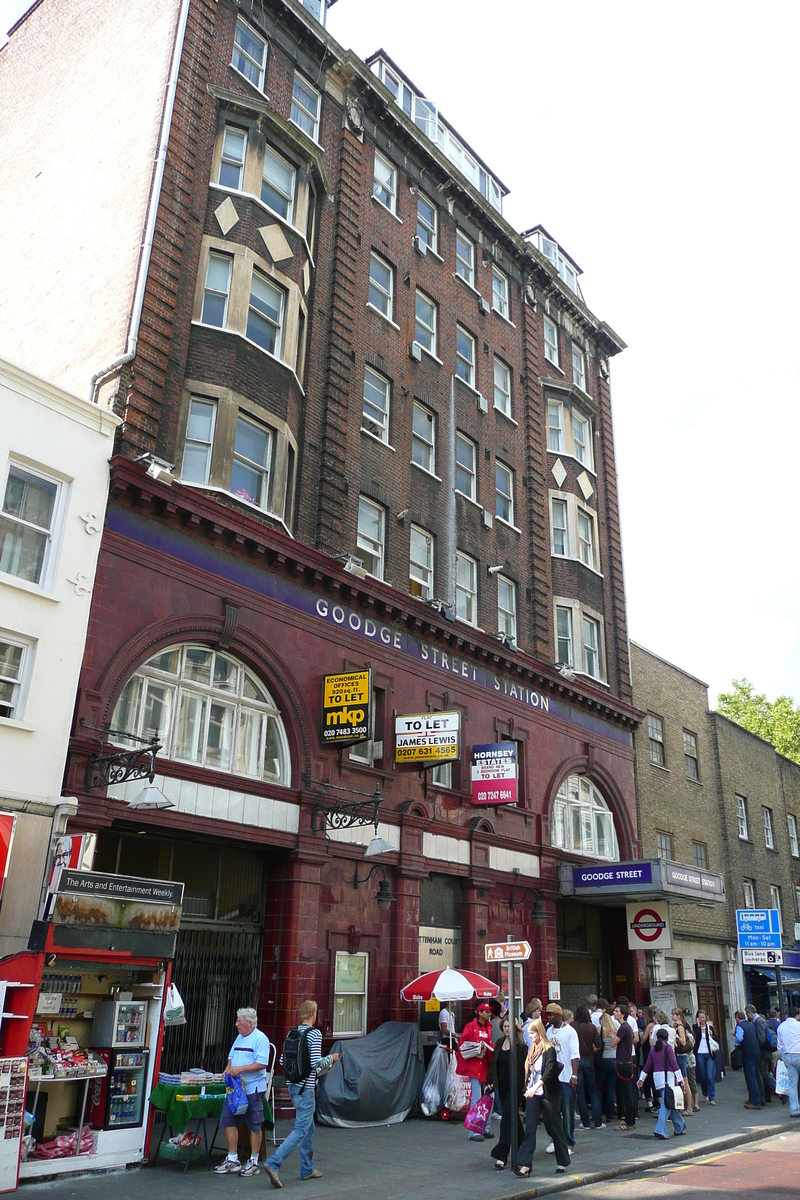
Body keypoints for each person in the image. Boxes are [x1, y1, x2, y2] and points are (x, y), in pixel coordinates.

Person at [263, 999, 340, 1188]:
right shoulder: (315, 1034)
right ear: (314, 1013)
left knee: (308, 1127)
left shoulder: (292, 1032)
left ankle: (307, 1168)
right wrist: (332, 1058)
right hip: (306, 1088)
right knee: (300, 1130)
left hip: (293, 1085)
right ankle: (273, 1163)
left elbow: (282, 1060)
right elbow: (316, 1063)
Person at [215, 1007, 271, 1176]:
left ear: (248, 1022)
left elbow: (262, 1063)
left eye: (239, 1021)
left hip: (253, 1087)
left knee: (254, 1123)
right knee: (228, 1120)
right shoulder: (239, 1038)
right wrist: (228, 1069)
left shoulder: (260, 1039)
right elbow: (231, 1058)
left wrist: (240, 1069)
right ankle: (232, 1158)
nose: (236, 1024)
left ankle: (254, 1161)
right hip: (235, 1089)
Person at [512, 1020, 571, 1176]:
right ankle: (525, 1165)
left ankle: (562, 1161)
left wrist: (534, 1087)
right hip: (533, 1094)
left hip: (548, 1093)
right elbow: (529, 1071)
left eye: (532, 1033)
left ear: (539, 1032)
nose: (530, 1036)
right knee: (530, 1128)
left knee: (554, 1128)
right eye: (529, 1033)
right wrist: (527, 1088)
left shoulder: (549, 1050)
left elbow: (548, 1073)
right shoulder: (531, 1049)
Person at [486, 1017, 526, 1169]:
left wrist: (524, 1087)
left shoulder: (520, 1045)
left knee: (506, 1119)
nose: (507, 1028)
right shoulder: (499, 1043)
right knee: (512, 1118)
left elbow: (525, 1067)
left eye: (509, 1026)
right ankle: (524, 1146)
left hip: (516, 1088)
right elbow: (493, 1064)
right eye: (505, 1026)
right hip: (501, 1087)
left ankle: (501, 1154)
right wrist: (489, 1082)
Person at [637, 1028, 686, 1139]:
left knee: (670, 1102)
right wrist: (680, 1079)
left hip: (657, 1079)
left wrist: (641, 1079)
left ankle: (680, 1125)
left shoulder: (653, 1049)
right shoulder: (668, 1048)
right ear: (667, 1038)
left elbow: (647, 1066)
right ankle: (660, 1129)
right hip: (667, 1078)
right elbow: (674, 1064)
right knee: (666, 1104)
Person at [457, 1002, 495, 1140]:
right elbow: (462, 1045)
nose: (488, 1014)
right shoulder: (470, 1027)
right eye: (486, 1012)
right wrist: (476, 1048)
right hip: (474, 1066)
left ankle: (484, 1128)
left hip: (485, 1067)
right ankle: (474, 1132)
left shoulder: (488, 1027)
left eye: (489, 1012)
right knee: (477, 1098)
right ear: (479, 1013)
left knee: (490, 1098)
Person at [544, 1002, 579, 1151]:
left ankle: (569, 1142)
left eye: (551, 1014)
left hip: (566, 1077)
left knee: (567, 1111)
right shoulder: (548, 1032)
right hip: (552, 1078)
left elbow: (575, 1055)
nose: (549, 1017)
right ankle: (555, 1139)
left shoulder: (570, 1032)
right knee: (552, 1112)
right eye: (548, 1014)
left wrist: (574, 1075)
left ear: (559, 1015)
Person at [573, 1005, 603, 1129]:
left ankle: (585, 1122)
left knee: (580, 1091)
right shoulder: (592, 1027)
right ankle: (598, 1121)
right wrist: (591, 1050)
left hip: (576, 1061)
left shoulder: (572, 1026)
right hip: (588, 1059)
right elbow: (598, 1045)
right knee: (593, 1090)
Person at [611, 1003, 636, 1129]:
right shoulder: (627, 1028)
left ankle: (629, 1121)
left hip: (623, 1062)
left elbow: (613, 1044)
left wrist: (613, 1037)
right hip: (626, 1061)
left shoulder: (623, 1028)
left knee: (626, 1093)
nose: (614, 1013)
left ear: (623, 1014)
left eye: (616, 1011)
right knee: (627, 1092)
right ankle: (629, 1119)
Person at [733, 1009, 761, 1110]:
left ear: (737, 1018)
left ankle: (756, 1101)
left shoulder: (740, 1026)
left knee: (750, 1078)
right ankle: (752, 1098)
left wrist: (735, 1043)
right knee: (753, 1077)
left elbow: (739, 1038)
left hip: (748, 1054)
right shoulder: (750, 1024)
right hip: (756, 1053)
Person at [746, 1003, 773, 1105]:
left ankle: (763, 1097)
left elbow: (761, 1038)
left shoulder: (758, 1021)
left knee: (761, 1075)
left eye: (747, 1013)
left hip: (762, 1052)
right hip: (764, 1052)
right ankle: (763, 1097)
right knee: (763, 1074)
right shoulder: (758, 1021)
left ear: (749, 1012)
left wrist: (755, 1048)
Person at [672, 1008, 698, 1113]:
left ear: (679, 1016)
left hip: (681, 1055)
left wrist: (676, 1036)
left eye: (674, 1014)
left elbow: (683, 1042)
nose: (672, 1016)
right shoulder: (677, 1026)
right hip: (679, 1055)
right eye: (672, 1014)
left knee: (684, 1081)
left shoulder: (680, 1027)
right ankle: (685, 1106)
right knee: (682, 1081)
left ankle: (689, 1108)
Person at [777, 1008, 800, 1119]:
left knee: (792, 1084)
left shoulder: (781, 1027)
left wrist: (784, 1055)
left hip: (788, 1056)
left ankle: (794, 1110)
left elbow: (779, 1045)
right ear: (797, 1015)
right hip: (799, 1054)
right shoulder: (799, 1026)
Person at [692, 1009, 718, 1105]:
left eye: (703, 1017)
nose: (702, 1019)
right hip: (699, 1053)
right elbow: (696, 1037)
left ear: (706, 1018)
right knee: (703, 1076)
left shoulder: (709, 1027)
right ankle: (705, 1094)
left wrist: (712, 1035)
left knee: (709, 1076)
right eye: (700, 1017)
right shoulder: (695, 1027)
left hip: (709, 1053)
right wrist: (699, 1027)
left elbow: (716, 1039)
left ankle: (712, 1097)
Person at [599, 1010, 618, 1124]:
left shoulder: (601, 1030)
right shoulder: (615, 1031)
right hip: (614, 1059)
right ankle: (611, 1114)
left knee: (601, 1087)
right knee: (611, 1088)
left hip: (604, 1059)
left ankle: (602, 1111)